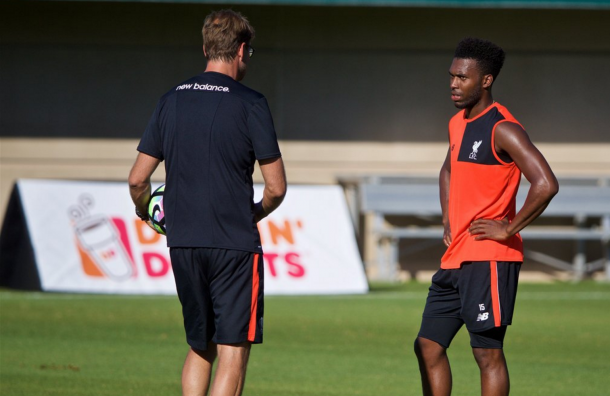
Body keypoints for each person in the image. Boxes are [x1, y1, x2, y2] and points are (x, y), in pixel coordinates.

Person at [128, 10, 286, 396]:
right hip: (233, 242)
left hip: (182, 241)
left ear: (205, 48)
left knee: (201, 345)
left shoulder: (170, 100)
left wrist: (146, 211)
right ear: (243, 50)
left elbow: (137, 179)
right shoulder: (251, 103)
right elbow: (276, 188)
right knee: (233, 350)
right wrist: (254, 214)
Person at [414, 37, 558, 396]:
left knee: (486, 353)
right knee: (428, 345)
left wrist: (508, 227)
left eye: (462, 77)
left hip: (490, 258)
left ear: (486, 81)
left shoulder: (503, 128)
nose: (453, 83)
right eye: (452, 76)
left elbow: (546, 183)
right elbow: (447, 170)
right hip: (456, 256)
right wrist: (449, 217)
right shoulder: (457, 123)